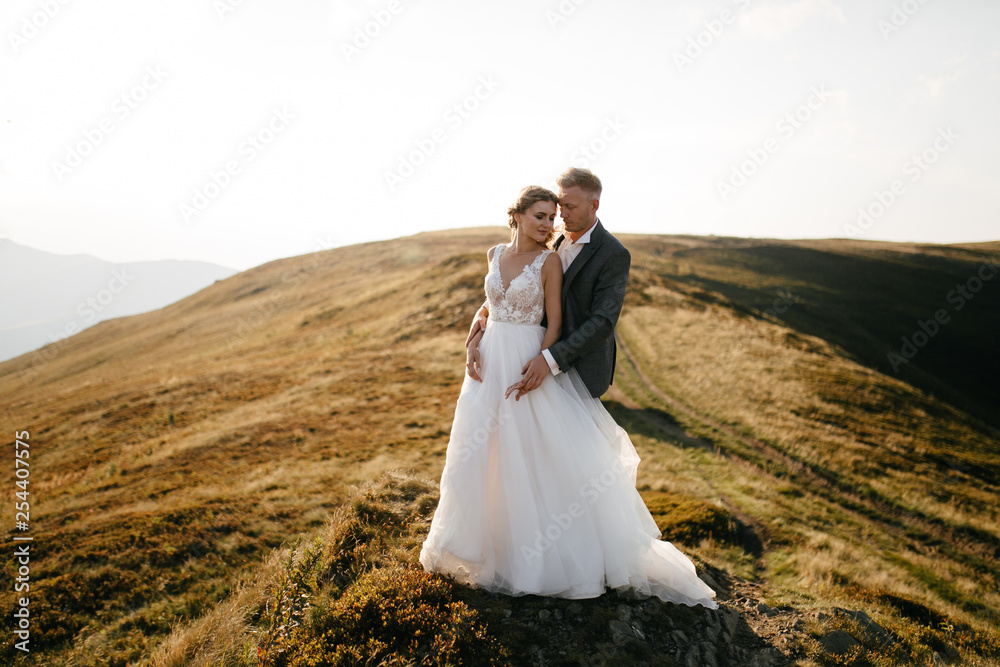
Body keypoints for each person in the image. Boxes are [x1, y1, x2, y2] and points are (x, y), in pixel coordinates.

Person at [418, 172, 717, 608]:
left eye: (566, 209)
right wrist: (475, 332)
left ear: (593, 206)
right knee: (488, 450)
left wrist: (547, 359)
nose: (557, 219)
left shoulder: (610, 254)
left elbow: (600, 321)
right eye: (550, 211)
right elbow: (493, 300)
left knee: (555, 457)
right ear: (517, 216)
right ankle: (491, 543)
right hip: (496, 360)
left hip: (557, 362)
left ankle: (559, 554)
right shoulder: (531, 246)